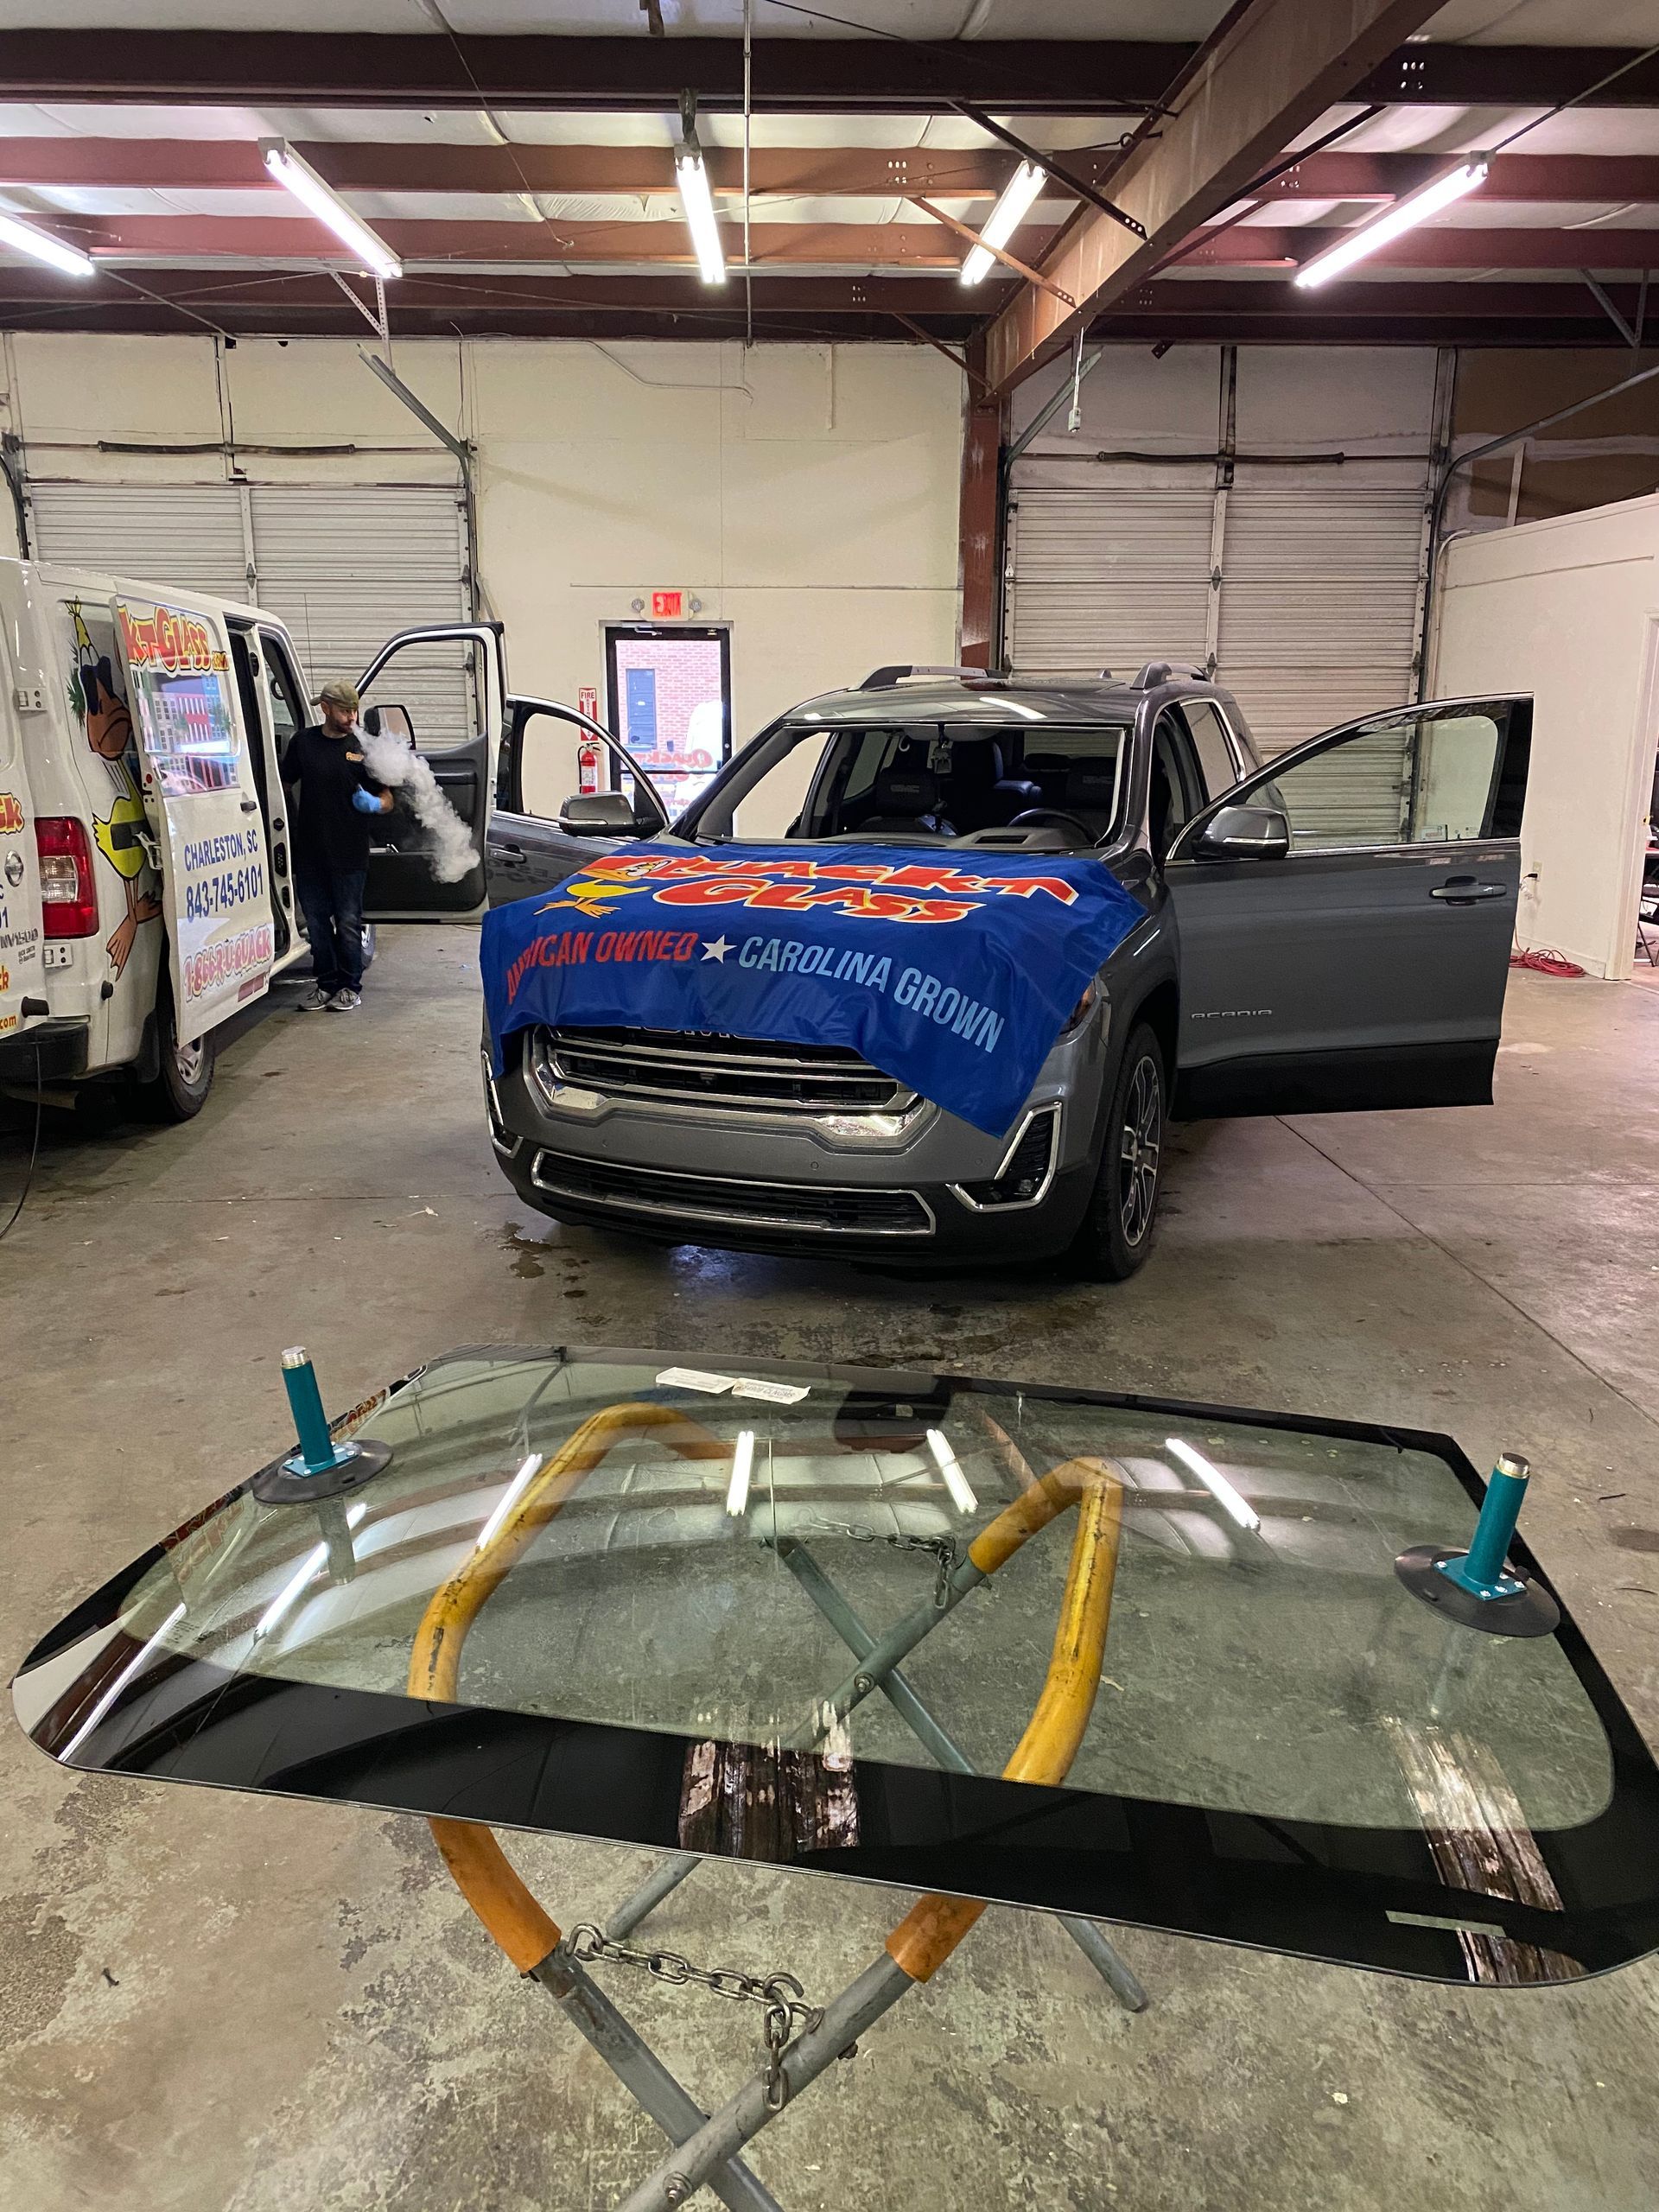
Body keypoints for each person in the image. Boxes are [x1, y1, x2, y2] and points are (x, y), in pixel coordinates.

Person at [281, 678, 392, 1012]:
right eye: (344, 710)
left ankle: (350, 987)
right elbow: (283, 783)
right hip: (311, 850)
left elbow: (389, 799)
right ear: (325, 708)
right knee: (316, 924)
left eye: (355, 709)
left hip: (349, 852)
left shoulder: (364, 748)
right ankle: (325, 985)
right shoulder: (304, 743)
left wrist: (374, 804)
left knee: (347, 922)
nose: (351, 717)